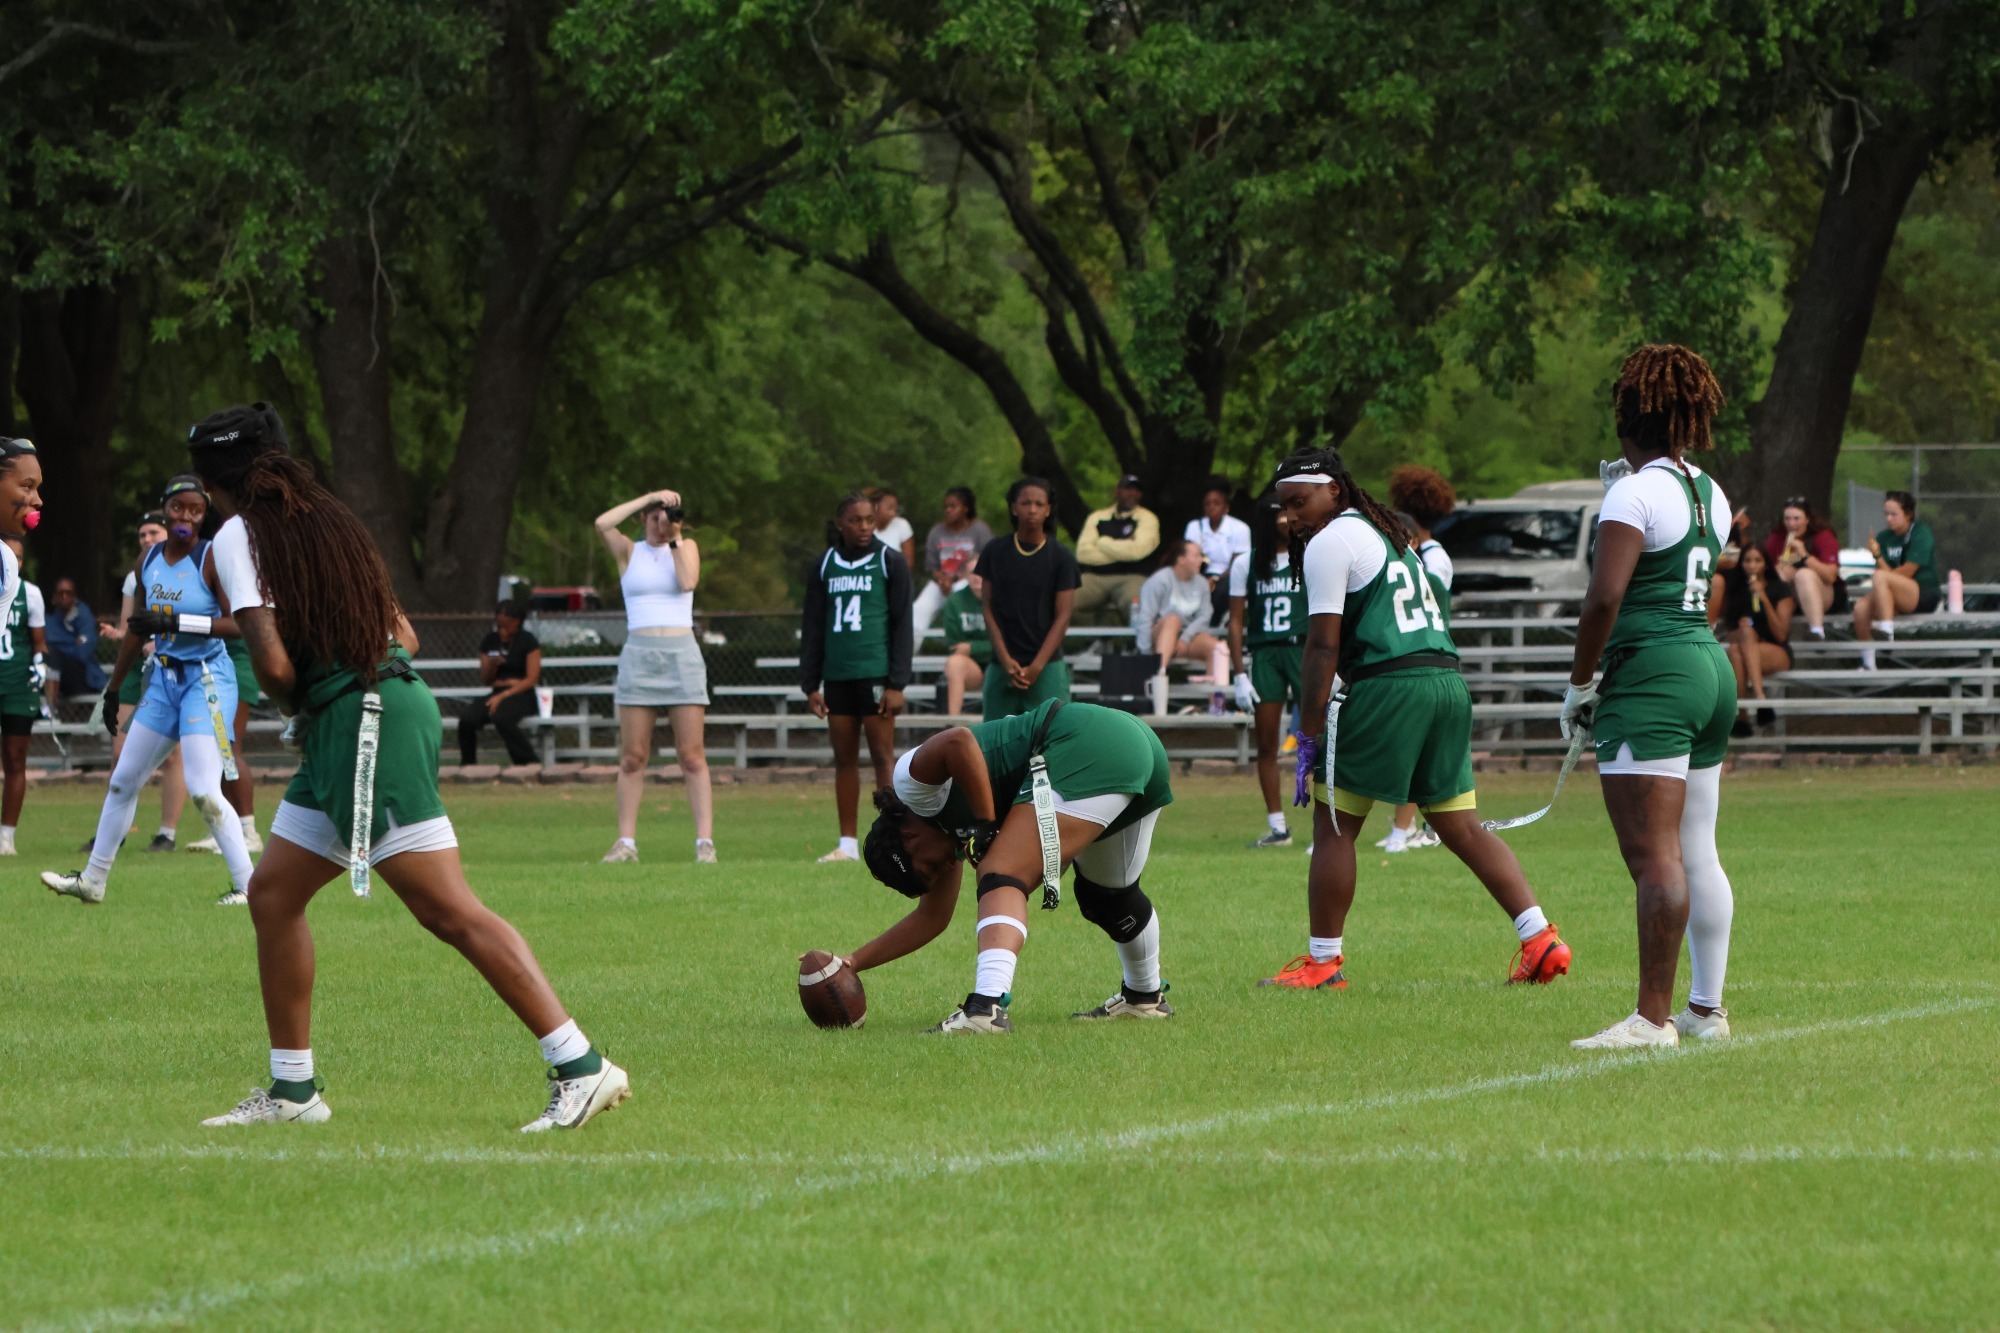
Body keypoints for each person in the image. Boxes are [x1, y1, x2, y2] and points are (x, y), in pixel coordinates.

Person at [179, 402, 628, 1132]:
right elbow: (407, 636)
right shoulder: (334, 522)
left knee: (446, 907)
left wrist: (303, 702)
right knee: (272, 893)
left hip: (358, 722)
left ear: (213, 482)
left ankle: (580, 1063)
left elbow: (271, 663)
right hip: (368, 709)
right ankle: (294, 1091)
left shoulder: (236, 534)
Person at [1262, 445, 1572, 992]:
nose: (1292, 515)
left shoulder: (1331, 541)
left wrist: (1308, 728)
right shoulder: (1388, 532)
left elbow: (1321, 648)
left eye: (1300, 500)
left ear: (1334, 489)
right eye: (1285, 506)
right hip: (1446, 684)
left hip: (1391, 686)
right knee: (1462, 827)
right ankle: (1539, 936)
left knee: (1334, 824)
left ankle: (1322, 963)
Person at [1562, 344, 1739, 1050]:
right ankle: (1705, 1008)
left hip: (1657, 672)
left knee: (1653, 854)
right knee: (1698, 844)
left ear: (1629, 414)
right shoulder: (1711, 489)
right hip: (1706, 662)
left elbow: (1605, 594)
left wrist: (1579, 682)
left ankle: (1651, 1018)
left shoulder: (1633, 491)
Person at [843, 698, 1175, 1031]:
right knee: (1108, 898)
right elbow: (931, 918)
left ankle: (985, 1008)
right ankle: (1144, 996)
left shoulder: (911, 784)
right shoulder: (941, 837)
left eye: (929, 868)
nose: (945, 867)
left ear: (910, 841)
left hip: (1085, 743)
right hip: (1132, 743)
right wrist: (853, 962)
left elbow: (957, 741)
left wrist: (986, 823)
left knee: (1000, 873)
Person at [43, 475, 256, 907]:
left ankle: (250, 888)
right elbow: (135, 629)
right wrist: (114, 688)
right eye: (178, 508)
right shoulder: (149, 559)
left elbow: (240, 624)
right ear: (165, 508)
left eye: (196, 510)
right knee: (122, 780)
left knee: (202, 788)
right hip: (162, 679)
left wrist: (179, 623)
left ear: (203, 515)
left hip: (206, 678)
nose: (187, 517)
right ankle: (93, 881)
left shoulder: (211, 556)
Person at [594, 488, 715, 864]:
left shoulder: (685, 545)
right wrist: (648, 498)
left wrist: (675, 536)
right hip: (640, 656)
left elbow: (688, 582)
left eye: (668, 518)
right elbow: (602, 523)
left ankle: (704, 844)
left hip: (681, 655)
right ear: (644, 518)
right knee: (633, 757)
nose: (662, 525)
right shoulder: (629, 551)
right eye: (656, 518)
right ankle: (626, 842)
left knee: (691, 756)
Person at [801, 492, 913, 863]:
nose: (864, 526)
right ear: (840, 524)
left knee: (883, 756)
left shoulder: (890, 561)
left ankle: (891, 836)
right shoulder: (824, 565)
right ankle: (847, 843)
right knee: (844, 758)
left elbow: (902, 625)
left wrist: (897, 682)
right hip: (838, 676)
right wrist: (810, 682)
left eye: (869, 519)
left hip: (876, 673)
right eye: (856, 520)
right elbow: (813, 626)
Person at [1378, 466, 1461, 854]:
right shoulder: (1412, 554)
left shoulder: (1432, 556)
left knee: (1419, 752)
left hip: (1428, 658)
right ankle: (1416, 826)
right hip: (1416, 660)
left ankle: (1409, 828)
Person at [99, 513, 187, 853]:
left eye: (154, 532)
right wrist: (120, 635)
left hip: (172, 664)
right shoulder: (136, 576)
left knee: (171, 756)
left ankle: (167, 833)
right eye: (142, 534)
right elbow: (128, 628)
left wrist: (161, 641)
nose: (147, 538)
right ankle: (113, 832)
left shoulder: (186, 569)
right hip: (139, 666)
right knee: (119, 751)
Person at [1227, 500, 1305, 848]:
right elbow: (1236, 621)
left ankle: (1326, 826)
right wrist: (1239, 673)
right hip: (1265, 654)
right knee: (1267, 743)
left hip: (1304, 649)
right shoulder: (1248, 562)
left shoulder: (1311, 553)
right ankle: (1278, 827)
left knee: (1319, 740)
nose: (1288, 519)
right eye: (1281, 513)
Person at [974, 477, 1079, 719]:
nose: (1032, 509)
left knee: (1052, 739)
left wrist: (1037, 666)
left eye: (1039, 504)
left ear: (1048, 509)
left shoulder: (1061, 557)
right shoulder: (994, 551)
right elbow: (988, 607)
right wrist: (1005, 660)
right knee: (995, 742)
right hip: (1003, 665)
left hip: (1046, 666)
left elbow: (1063, 616)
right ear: (1014, 507)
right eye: (1025, 503)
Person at [1135, 539, 1226, 715]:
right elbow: (1145, 617)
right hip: (1159, 636)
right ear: (1181, 559)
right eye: (1196, 555)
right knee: (1173, 619)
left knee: (1218, 648)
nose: (1202, 560)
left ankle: (1218, 707)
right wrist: (1145, 654)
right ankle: (1158, 679)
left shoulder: (1201, 583)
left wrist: (1185, 638)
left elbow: (1205, 615)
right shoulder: (1159, 580)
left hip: (1185, 640)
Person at [1851, 490, 1940, 670]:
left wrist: (1881, 566)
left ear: (1908, 515)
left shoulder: (1920, 532)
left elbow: (1907, 571)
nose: (1889, 519)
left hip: (1922, 591)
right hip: (1893, 590)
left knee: (1881, 577)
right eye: (1886, 514)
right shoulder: (1884, 538)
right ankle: (1868, 662)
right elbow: (1884, 575)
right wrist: (1877, 555)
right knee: (1860, 608)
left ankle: (1887, 630)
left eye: (1894, 514)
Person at [1711, 544, 1792, 735]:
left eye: (1757, 560)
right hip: (1744, 649)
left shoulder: (1779, 589)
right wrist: (1742, 626)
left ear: (1765, 564)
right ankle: (1750, 711)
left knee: (1741, 643)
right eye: (1747, 560)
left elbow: (1781, 634)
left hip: (1775, 649)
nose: (1752, 565)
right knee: (1735, 649)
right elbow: (1730, 633)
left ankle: (1752, 704)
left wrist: (1763, 598)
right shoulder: (1737, 591)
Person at [0, 536, 48, 856]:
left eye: (19, 557)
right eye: (8, 557)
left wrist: (40, 666)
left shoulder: (30, 594)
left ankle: (6, 837)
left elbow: (39, 642)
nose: (14, 563)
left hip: (18, 685)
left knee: (15, 760)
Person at [457, 601, 543, 767]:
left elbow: (532, 679)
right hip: (497, 690)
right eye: (499, 625)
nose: (502, 629)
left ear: (517, 621)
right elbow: (486, 680)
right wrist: (491, 664)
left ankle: (528, 762)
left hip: (521, 693)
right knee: (467, 720)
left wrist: (504, 695)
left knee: (502, 717)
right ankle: (468, 764)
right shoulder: (490, 641)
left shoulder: (528, 641)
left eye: (506, 625)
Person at [1073, 475, 1161, 627]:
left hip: (1132, 577)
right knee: (1064, 601)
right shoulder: (1097, 517)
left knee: (1136, 605)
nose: (1131, 494)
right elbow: (1082, 553)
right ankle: (1095, 639)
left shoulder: (1148, 518)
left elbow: (1137, 552)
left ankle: (1135, 647)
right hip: (1096, 577)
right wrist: (1124, 548)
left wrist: (1102, 542)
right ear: (1117, 491)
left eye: (1135, 490)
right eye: (1127, 489)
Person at [913, 487, 992, 639]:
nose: (948, 510)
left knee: (957, 597)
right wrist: (942, 580)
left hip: (968, 581)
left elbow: (988, 561)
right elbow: (932, 566)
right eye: (946, 507)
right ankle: (911, 654)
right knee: (919, 609)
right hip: (940, 582)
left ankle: (961, 645)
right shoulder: (937, 531)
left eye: (953, 506)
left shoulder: (979, 530)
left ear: (965, 509)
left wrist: (960, 577)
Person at [1764, 496, 1844, 639]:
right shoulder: (1777, 538)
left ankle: (1817, 630)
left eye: (1796, 518)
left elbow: (1830, 576)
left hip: (1824, 594)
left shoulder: (1823, 537)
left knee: (1804, 575)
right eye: (1787, 519)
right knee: (1779, 575)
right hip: (1791, 597)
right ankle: (1774, 636)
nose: (1791, 523)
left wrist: (1805, 556)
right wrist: (1779, 569)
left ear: (1807, 519)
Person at [43, 576, 106, 697]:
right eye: (60, 593)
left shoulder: (85, 616)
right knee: (49, 654)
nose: (64, 596)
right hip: (57, 674)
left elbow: (83, 653)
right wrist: (73, 642)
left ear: (75, 596)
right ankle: (49, 710)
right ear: (54, 597)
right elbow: (45, 647)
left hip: (82, 676)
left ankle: (50, 709)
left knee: (52, 653)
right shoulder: (49, 620)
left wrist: (59, 646)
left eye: (68, 593)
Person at [938, 572, 990, 715]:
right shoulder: (955, 601)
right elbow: (955, 645)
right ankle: (952, 727)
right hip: (971, 667)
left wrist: (972, 647)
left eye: (981, 571)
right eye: (973, 571)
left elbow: (1008, 642)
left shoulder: (1002, 598)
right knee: (954, 663)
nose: (977, 576)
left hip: (1001, 664)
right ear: (966, 574)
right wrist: (986, 647)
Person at [1184, 477, 1251, 579]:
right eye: (1207, 504)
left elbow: (1239, 565)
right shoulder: (1194, 526)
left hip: (1228, 578)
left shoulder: (1240, 528)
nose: (1211, 507)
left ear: (1226, 507)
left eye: (1216, 503)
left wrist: (1215, 581)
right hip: (1198, 577)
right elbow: (1189, 560)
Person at [869, 487, 917, 570]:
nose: (893, 513)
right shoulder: (864, 527)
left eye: (895, 509)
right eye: (889, 508)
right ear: (875, 507)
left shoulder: (902, 525)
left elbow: (908, 563)